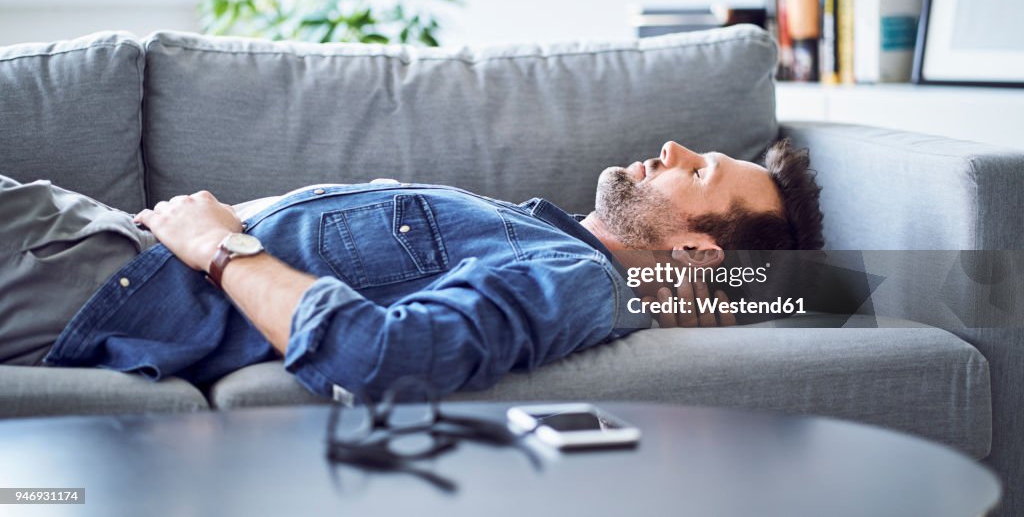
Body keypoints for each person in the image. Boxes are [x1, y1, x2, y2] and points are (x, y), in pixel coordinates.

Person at [0, 139, 823, 400]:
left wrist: (218, 245)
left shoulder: (575, 277)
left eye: (698, 172)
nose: (672, 149)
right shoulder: (545, 235)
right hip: (104, 247)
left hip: (90, 279)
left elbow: (386, 357)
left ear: (693, 252)